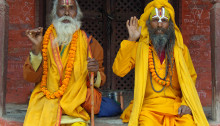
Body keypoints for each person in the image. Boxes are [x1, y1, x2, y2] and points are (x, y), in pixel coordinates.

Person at [112, 0, 209, 125]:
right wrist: (132, 39)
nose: (159, 24)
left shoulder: (181, 50)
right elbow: (119, 70)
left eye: (164, 20)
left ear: (170, 25)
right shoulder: (140, 48)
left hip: (175, 108)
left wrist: (186, 103)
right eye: (155, 20)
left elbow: (190, 79)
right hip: (148, 109)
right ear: (148, 23)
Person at [23, 0, 106, 125]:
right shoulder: (44, 42)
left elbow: (100, 80)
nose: (66, 13)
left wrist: (95, 73)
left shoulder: (90, 44)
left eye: (71, 8)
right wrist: (36, 48)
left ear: (77, 13)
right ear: (55, 12)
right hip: (46, 106)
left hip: (75, 109)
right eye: (62, 8)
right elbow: (30, 77)